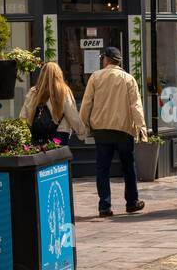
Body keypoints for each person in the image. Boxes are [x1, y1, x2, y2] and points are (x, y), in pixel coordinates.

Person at [79, 45, 148, 217]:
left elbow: (87, 103)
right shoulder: (128, 79)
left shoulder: (95, 77)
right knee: (128, 167)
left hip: (102, 130)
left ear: (106, 60)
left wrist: (83, 126)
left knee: (102, 169)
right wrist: (142, 128)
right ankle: (132, 203)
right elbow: (136, 106)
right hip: (124, 129)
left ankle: (104, 206)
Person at [20, 61, 82, 147]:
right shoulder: (63, 91)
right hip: (60, 134)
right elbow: (72, 115)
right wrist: (81, 133)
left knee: (41, 160)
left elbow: (23, 116)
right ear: (59, 74)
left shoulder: (33, 92)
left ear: (42, 74)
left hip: (38, 135)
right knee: (59, 159)